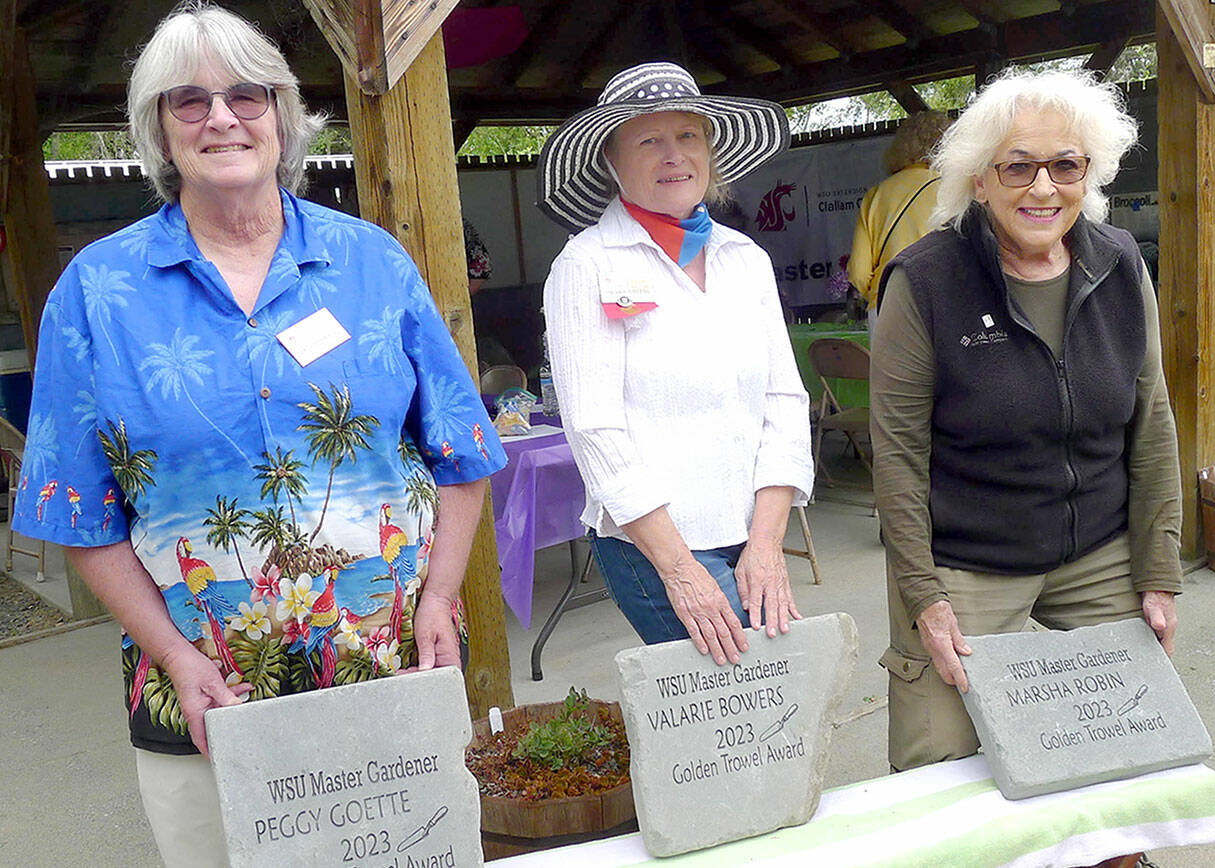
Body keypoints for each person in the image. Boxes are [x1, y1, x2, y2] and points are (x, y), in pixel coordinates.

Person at [10, 5, 505, 865]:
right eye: (189, 101)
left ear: (284, 116)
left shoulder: (371, 263)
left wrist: (440, 596)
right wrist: (171, 654)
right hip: (206, 688)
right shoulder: (98, 291)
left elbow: (461, 451)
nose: (223, 117)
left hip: (391, 665)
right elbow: (73, 512)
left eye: (248, 94)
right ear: (159, 132)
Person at [870, 68, 1183, 782]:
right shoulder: (924, 282)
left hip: (1096, 543)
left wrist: (1159, 572)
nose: (1043, 188)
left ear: (1088, 173)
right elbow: (896, 458)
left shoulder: (1122, 264)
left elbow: (1153, 427)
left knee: (1138, 735)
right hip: (966, 555)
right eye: (1017, 166)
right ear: (979, 180)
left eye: (1065, 165)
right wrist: (925, 597)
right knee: (938, 768)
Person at [537, 62, 814, 666]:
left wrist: (767, 544)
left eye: (688, 135)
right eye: (648, 139)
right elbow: (596, 430)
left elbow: (785, 403)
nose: (674, 156)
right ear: (611, 161)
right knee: (741, 708)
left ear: (710, 151)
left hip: (752, 531)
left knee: (772, 702)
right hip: (658, 546)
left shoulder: (745, 258)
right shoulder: (587, 266)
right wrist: (682, 571)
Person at [846, 110, 952, 320]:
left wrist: (878, 293)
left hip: (886, 304)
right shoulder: (955, 192)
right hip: (944, 303)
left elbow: (858, 272)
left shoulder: (877, 195)